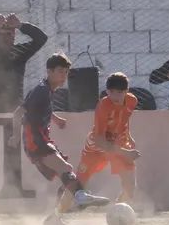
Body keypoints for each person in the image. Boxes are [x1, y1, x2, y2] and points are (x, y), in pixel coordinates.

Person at [7, 52, 110, 225]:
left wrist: (55, 119)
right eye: (60, 72)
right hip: (35, 141)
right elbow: (18, 113)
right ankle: (79, 197)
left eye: (66, 73)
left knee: (67, 173)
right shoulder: (40, 90)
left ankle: (56, 218)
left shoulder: (46, 90)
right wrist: (15, 136)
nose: (64, 77)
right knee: (66, 171)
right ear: (50, 71)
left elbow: (39, 108)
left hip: (41, 139)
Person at [58, 72, 142, 214]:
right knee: (78, 186)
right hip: (95, 147)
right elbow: (99, 139)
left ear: (127, 91)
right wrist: (125, 152)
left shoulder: (132, 101)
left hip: (119, 142)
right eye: (111, 92)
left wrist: (129, 137)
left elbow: (124, 120)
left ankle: (118, 215)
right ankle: (56, 216)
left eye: (120, 92)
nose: (115, 96)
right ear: (107, 91)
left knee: (130, 187)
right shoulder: (103, 106)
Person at [0, 13, 48, 114]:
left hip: (12, 109)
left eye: (8, 34)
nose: (4, 38)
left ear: (14, 37)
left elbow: (41, 38)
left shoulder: (20, 52)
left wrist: (20, 25)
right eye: (1, 34)